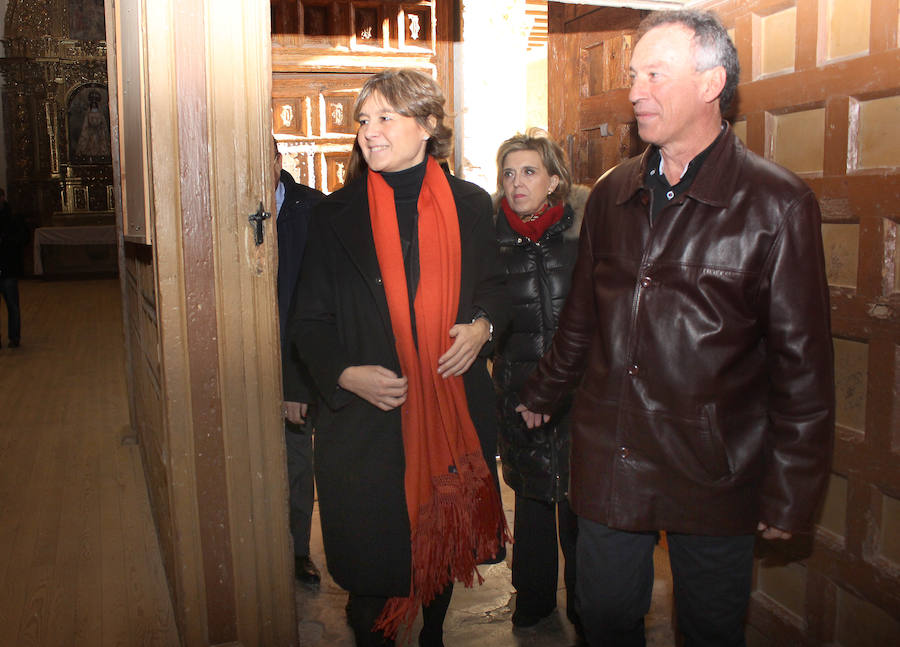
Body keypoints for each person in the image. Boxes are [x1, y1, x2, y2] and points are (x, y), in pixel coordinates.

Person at [516, 10, 835, 647]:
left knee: (712, 628)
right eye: (635, 75)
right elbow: (582, 313)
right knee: (602, 617)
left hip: (715, 465)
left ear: (711, 83)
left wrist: (793, 488)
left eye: (655, 75)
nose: (635, 91)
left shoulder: (778, 204)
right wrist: (545, 391)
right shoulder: (611, 193)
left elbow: (803, 367)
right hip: (614, 453)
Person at [286, 68, 510, 647]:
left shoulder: (471, 204)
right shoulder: (334, 216)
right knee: (370, 585)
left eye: (386, 117)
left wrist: (483, 325)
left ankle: (432, 633)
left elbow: (497, 286)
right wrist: (344, 374)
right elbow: (306, 320)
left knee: (442, 553)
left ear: (427, 125)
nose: (370, 131)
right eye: (364, 120)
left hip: (452, 408)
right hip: (365, 427)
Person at [491, 130, 588, 634]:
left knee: (577, 499)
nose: (516, 182)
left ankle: (585, 605)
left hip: (578, 390)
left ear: (554, 180)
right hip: (520, 389)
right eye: (508, 173)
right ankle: (533, 601)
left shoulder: (582, 232)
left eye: (529, 171)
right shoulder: (490, 237)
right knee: (531, 496)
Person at [274, 140, 325, 588]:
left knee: (296, 463)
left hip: (297, 363)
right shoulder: (226, 206)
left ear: (277, 161)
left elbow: (314, 305)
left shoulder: (312, 210)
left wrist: (297, 382)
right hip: (243, 359)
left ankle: (297, 552)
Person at [0, 188, 26, 349]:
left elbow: (23, 237)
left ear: (2, 198)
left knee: (13, 305)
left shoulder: (13, 217)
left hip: (8, 267)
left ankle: (14, 337)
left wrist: (6, 240)